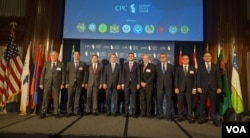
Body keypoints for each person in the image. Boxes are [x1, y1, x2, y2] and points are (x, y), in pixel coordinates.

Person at [197, 52, 222, 127]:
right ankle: (202, 118)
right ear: (203, 58)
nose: (207, 57)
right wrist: (198, 87)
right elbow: (198, 77)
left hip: (213, 87)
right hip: (203, 88)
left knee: (213, 104)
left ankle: (214, 119)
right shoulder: (200, 66)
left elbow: (218, 78)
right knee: (202, 104)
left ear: (211, 57)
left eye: (209, 56)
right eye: (206, 56)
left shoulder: (215, 66)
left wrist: (220, 87)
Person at [39, 51, 65, 119]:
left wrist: (62, 83)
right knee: (45, 98)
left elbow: (63, 75)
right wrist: (41, 83)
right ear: (50, 57)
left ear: (57, 56)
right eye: (52, 55)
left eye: (55, 55)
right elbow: (42, 74)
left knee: (56, 99)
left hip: (57, 84)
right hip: (47, 83)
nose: (53, 56)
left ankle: (56, 112)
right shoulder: (46, 64)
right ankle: (43, 112)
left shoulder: (61, 64)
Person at [174, 55, 196, 123]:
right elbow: (176, 78)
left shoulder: (192, 68)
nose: (185, 60)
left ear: (189, 60)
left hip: (190, 89)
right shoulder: (178, 68)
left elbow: (195, 79)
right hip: (180, 89)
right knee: (180, 103)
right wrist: (176, 87)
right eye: (184, 59)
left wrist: (194, 88)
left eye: (187, 59)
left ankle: (189, 117)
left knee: (189, 104)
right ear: (182, 60)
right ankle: (180, 116)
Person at [65, 51, 87, 117]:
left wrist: (83, 82)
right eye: (75, 54)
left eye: (78, 54)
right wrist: (67, 82)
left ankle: (76, 111)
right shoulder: (69, 63)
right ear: (73, 55)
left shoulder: (83, 64)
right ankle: (69, 111)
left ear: (79, 55)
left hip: (79, 83)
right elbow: (66, 74)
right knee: (70, 98)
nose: (76, 56)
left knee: (77, 98)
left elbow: (85, 74)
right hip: (70, 83)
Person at [155, 53, 175, 120]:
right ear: (160, 58)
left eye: (164, 57)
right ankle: (160, 114)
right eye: (161, 57)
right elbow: (155, 77)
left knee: (169, 101)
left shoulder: (171, 66)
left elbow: (174, 77)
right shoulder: (157, 66)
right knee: (159, 101)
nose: (162, 58)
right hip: (159, 87)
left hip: (168, 87)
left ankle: (168, 115)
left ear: (166, 58)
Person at [121, 53, 140, 117]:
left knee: (134, 99)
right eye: (129, 56)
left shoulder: (137, 64)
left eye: (132, 56)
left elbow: (138, 75)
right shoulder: (125, 64)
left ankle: (134, 113)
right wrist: (123, 83)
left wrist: (138, 83)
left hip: (134, 84)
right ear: (128, 57)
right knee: (126, 99)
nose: (130, 57)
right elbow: (123, 74)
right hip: (126, 84)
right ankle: (126, 112)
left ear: (133, 57)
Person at [139, 54, 155, 118]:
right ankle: (143, 113)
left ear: (149, 59)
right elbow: (137, 75)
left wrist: (146, 83)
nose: (145, 59)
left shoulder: (152, 66)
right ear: (143, 59)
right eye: (144, 58)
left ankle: (148, 113)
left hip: (149, 85)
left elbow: (153, 76)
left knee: (149, 100)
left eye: (146, 58)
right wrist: (141, 82)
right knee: (142, 100)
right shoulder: (140, 66)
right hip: (141, 86)